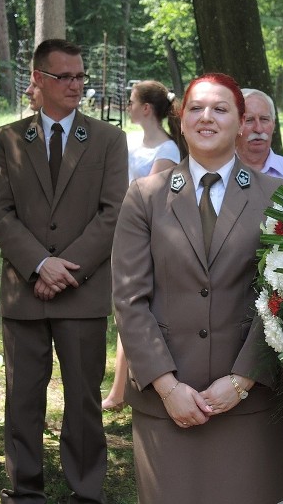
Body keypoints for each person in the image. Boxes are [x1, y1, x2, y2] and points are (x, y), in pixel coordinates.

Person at [112, 73, 283, 503]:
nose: (206, 117)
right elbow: (129, 300)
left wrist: (243, 380)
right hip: (165, 403)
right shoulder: (145, 197)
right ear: (181, 118)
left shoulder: (277, 197)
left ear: (243, 122)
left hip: (248, 402)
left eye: (221, 109)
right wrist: (167, 387)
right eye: (196, 108)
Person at [0, 39, 128, 503]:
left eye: (80, 76)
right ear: (38, 80)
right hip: (24, 292)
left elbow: (113, 213)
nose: (75, 85)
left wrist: (67, 269)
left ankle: (86, 490)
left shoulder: (108, 139)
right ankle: (25, 490)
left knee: (84, 400)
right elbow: (1, 214)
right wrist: (39, 265)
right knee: (23, 398)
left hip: (82, 293)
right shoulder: (7, 139)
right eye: (64, 77)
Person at [235, 87, 283, 504]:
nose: (257, 129)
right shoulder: (219, 176)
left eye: (265, 120)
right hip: (230, 304)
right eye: (248, 119)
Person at [102, 80, 184, 413]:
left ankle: (122, 389)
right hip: (121, 231)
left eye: (132, 101)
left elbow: (148, 201)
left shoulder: (167, 151)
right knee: (124, 308)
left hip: (146, 236)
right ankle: (121, 387)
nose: (128, 106)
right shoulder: (133, 144)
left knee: (135, 309)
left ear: (146, 109)